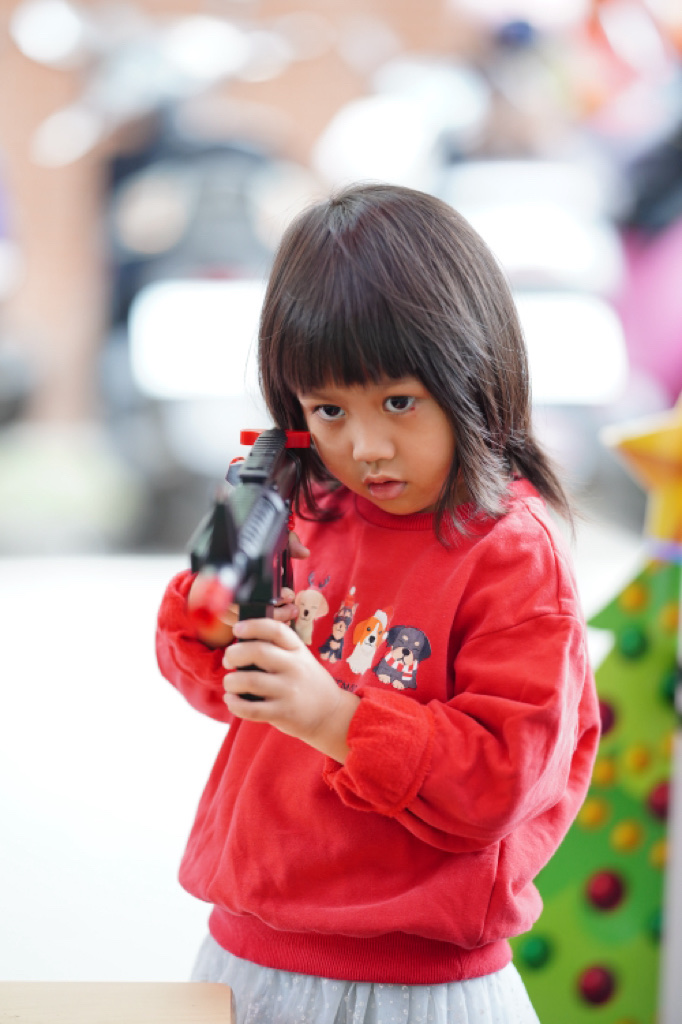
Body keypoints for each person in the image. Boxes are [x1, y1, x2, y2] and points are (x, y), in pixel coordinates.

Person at [156, 182, 600, 1024]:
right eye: (329, 409)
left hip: (418, 985)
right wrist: (217, 605)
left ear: (473, 377)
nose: (365, 447)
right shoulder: (302, 504)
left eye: (399, 402)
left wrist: (335, 718)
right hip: (246, 952)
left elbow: (502, 782)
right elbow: (215, 685)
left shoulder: (510, 552)